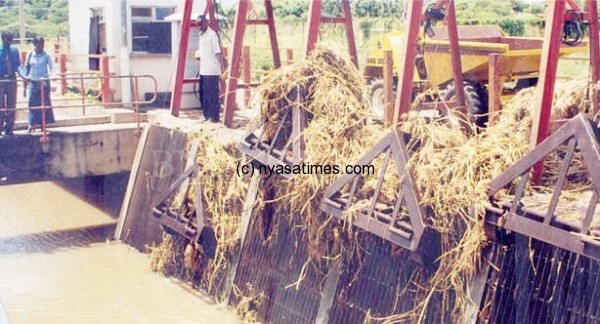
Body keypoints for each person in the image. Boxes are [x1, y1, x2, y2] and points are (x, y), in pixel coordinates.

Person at [196, 15, 227, 123]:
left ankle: (214, 117)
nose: (200, 26)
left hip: (212, 71)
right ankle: (207, 116)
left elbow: (218, 52)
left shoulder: (212, 35)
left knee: (212, 95)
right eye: (198, 24)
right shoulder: (201, 35)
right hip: (203, 70)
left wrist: (223, 68)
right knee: (203, 94)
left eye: (201, 24)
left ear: (206, 23)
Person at [24, 36, 55, 132]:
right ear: (34, 44)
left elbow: (52, 66)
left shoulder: (46, 55)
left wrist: (53, 75)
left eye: (42, 44)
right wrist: (25, 79)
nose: (41, 46)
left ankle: (43, 124)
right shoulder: (30, 55)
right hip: (33, 81)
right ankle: (31, 124)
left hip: (44, 82)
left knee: (44, 103)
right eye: (39, 44)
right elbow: (26, 68)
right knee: (32, 103)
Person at [0, 31, 26, 136]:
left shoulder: (14, 51)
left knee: (11, 105)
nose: (10, 42)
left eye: (11, 40)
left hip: (12, 80)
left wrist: (24, 75)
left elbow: (18, 65)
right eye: (8, 39)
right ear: (3, 39)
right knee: (1, 105)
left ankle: (9, 128)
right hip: (1, 80)